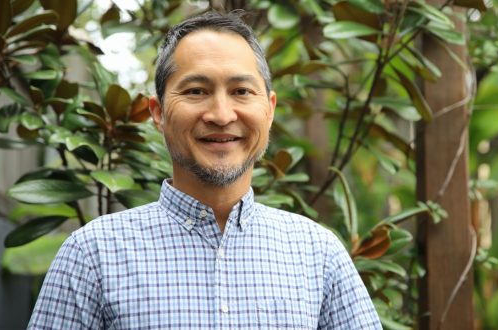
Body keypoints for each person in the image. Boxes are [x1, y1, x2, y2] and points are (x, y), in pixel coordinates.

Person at [28, 11, 382, 329]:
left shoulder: (318, 254)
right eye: (196, 91)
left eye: (242, 91)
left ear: (269, 109)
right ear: (158, 113)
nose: (222, 114)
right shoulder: (93, 254)